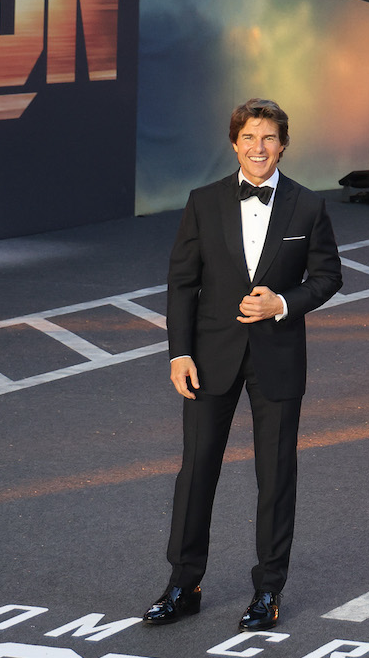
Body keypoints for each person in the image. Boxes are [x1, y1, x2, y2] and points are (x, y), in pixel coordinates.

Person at [147, 99, 343, 633]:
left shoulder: (308, 206)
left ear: (283, 144)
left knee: (275, 478)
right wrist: (179, 352)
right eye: (249, 138)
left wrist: (281, 304)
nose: (259, 148)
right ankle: (183, 585)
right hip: (210, 357)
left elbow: (328, 277)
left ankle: (268, 591)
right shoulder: (204, 202)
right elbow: (183, 283)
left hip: (278, 358)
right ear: (234, 143)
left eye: (269, 138)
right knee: (196, 473)